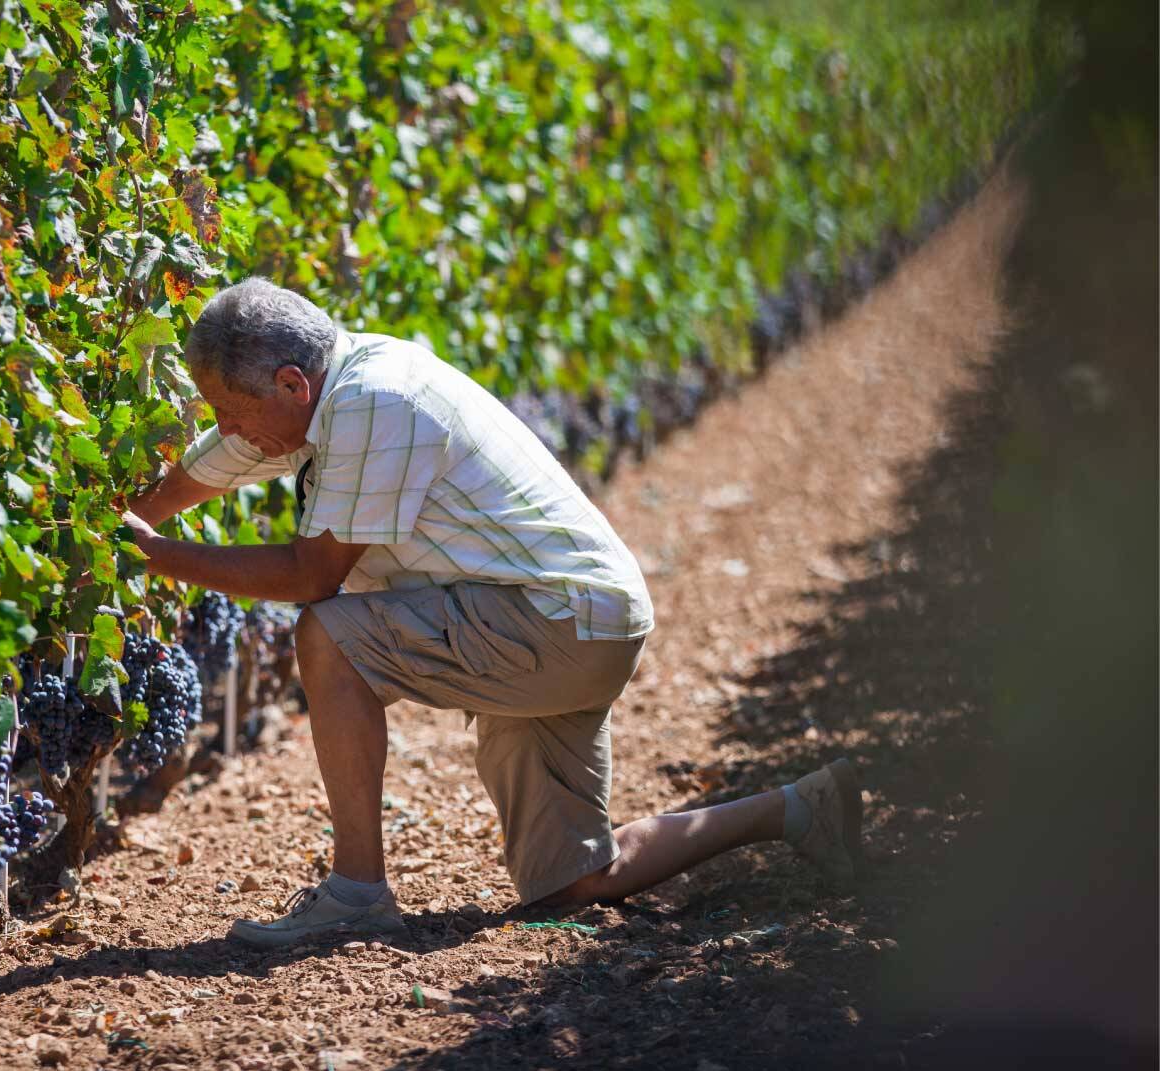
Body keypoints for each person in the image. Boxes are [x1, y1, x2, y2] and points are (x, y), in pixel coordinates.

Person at [122, 277, 863, 949]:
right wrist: (128, 517)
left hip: (550, 623)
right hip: (570, 618)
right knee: (567, 885)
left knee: (330, 636)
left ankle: (355, 892)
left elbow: (310, 575)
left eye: (229, 409)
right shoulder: (328, 391)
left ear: (290, 383)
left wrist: (154, 555)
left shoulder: (372, 404)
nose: (228, 427)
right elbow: (217, 463)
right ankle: (798, 808)